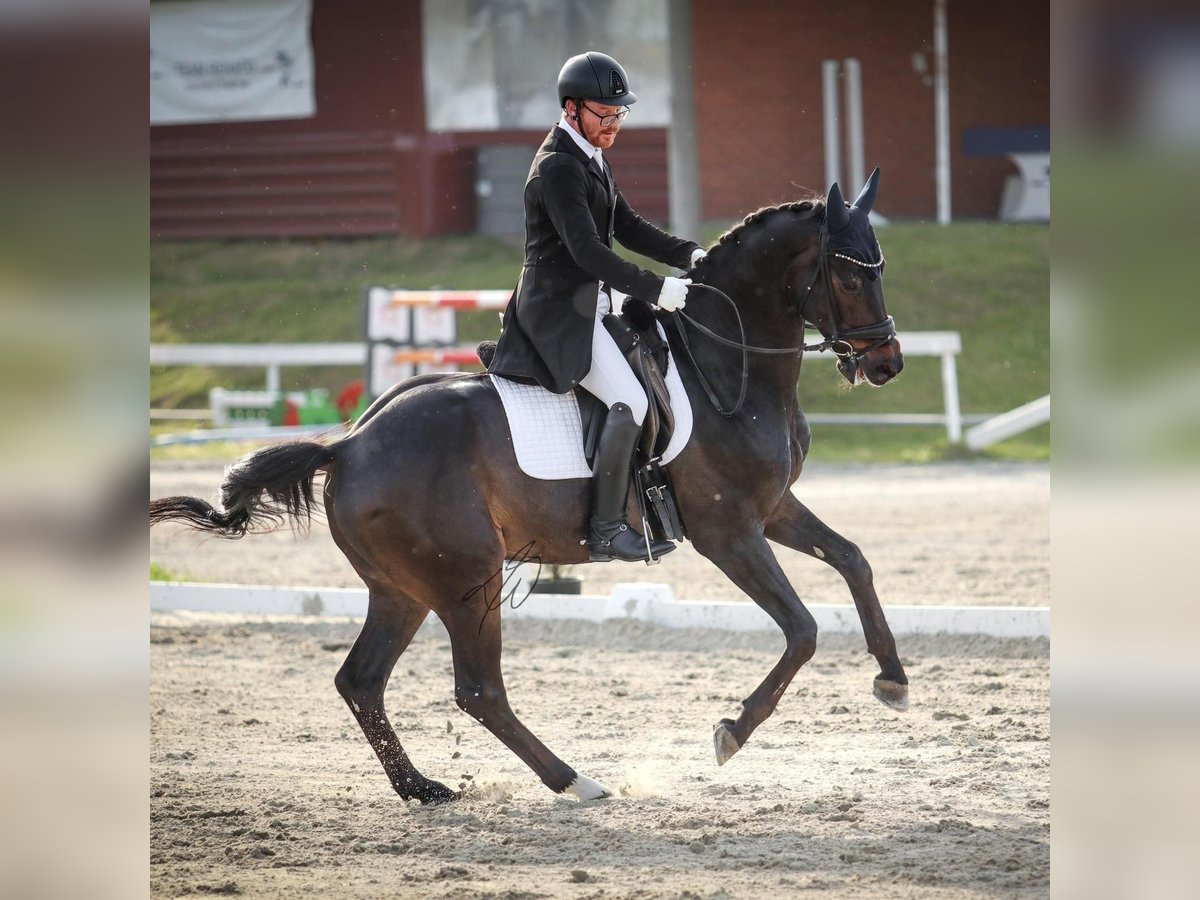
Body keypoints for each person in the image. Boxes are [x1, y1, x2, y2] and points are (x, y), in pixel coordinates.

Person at [489, 50, 707, 563]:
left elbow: (626, 225)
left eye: (618, 114)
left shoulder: (588, 153)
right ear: (571, 109)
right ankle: (607, 528)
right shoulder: (559, 167)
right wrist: (657, 288)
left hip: (591, 300)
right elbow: (587, 251)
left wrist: (690, 253)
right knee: (628, 401)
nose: (613, 124)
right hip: (559, 311)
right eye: (603, 115)